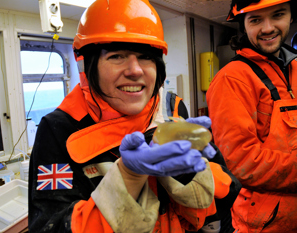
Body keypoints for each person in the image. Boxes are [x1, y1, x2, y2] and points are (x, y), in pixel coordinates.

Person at [28, 0, 224, 232]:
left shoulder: (173, 109)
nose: (135, 70)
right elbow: (49, 227)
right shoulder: (60, 128)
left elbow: (226, 197)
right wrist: (128, 179)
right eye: (117, 56)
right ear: (87, 66)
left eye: (145, 57)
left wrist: (191, 171)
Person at [207, 0, 297, 232]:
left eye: (278, 15)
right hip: (263, 223)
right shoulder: (232, 79)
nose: (267, 28)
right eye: (256, 20)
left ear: (291, 16)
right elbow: (243, 162)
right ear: (243, 25)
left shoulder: (295, 67)